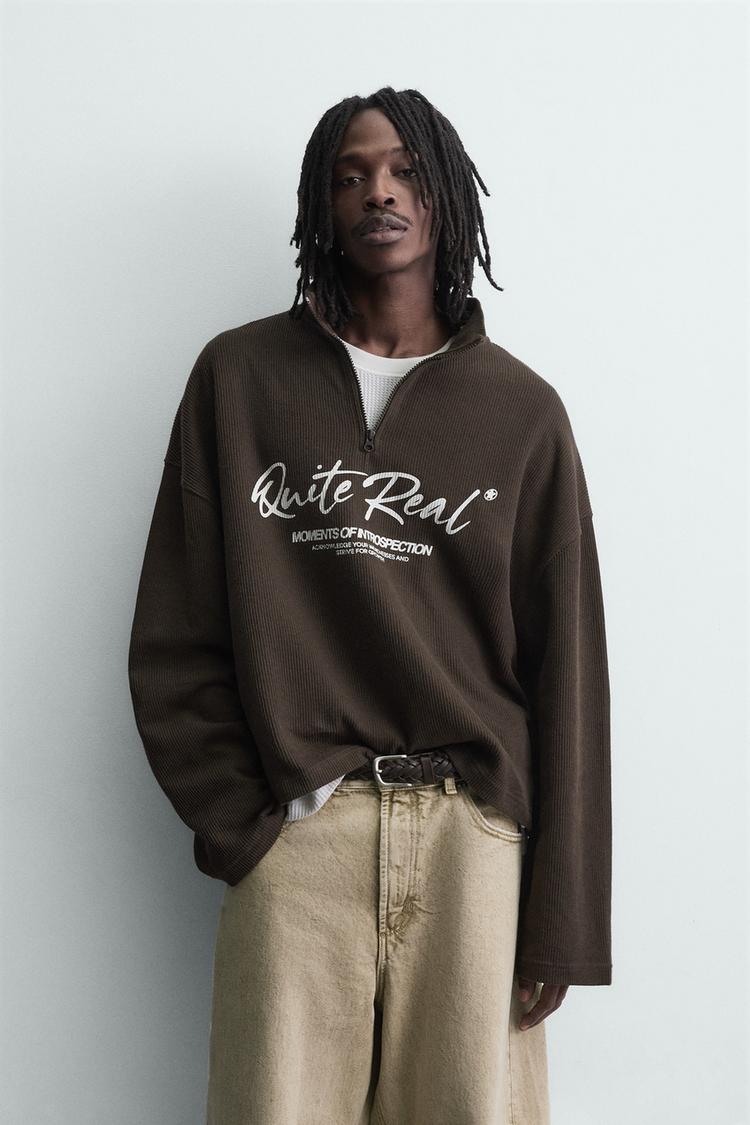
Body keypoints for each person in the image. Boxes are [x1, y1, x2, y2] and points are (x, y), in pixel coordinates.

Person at [127, 85, 612, 1124]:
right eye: (351, 176)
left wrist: (562, 918)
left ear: (444, 196)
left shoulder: (522, 412)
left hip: (472, 844)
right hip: (304, 838)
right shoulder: (239, 380)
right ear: (322, 205)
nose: (377, 192)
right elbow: (175, 636)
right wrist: (246, 825)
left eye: (402, 171)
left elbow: (568, 674)